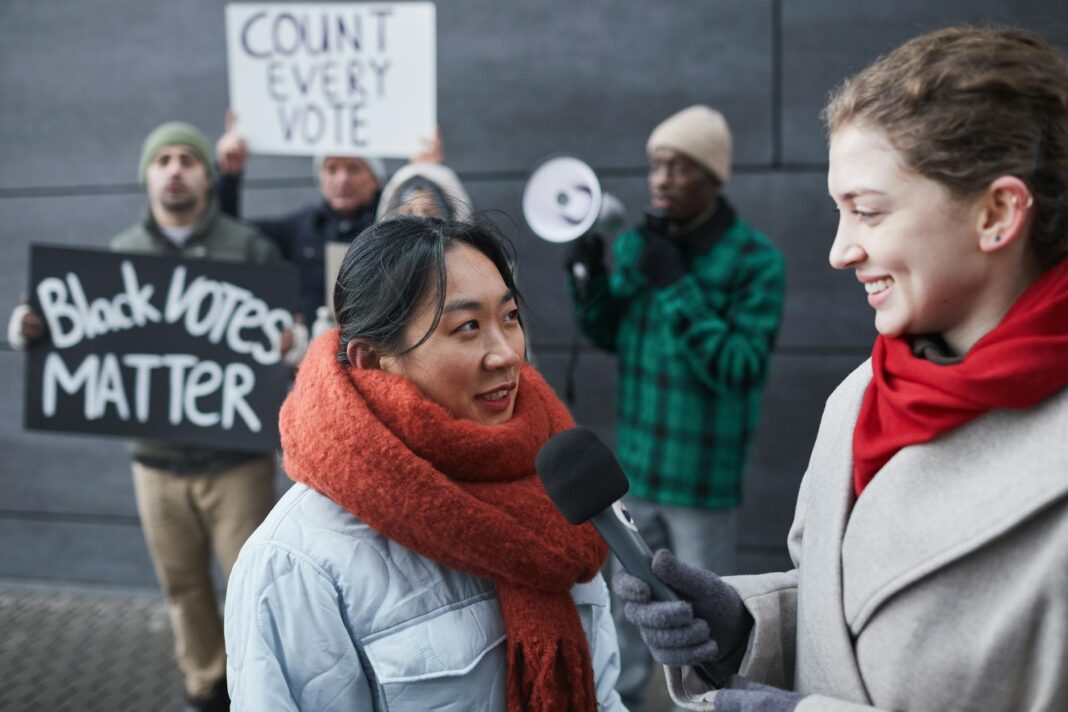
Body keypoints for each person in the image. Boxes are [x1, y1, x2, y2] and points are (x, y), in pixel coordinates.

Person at [614, 26, 1068, 712]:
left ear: (997, 212)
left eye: (868, 211)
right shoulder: (857, 398)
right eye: (838, 211)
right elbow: (852, 609)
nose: (840, 251)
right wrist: (747, 629)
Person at [224, 217, 625, 711]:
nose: (505, 355)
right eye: (468, 327)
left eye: (510, 317)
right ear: (372, 361)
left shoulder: (557, 493)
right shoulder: (296, 560)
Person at [9, 122, 285, 712]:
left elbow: (277, 346)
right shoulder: (119, 255)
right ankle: (206, 687)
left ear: (208, 175)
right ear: (148, 175)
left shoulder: (251, 248)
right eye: (163, 160)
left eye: (188, 157)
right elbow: (74, 332)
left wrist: (287, 342)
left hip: (237, 462)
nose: (176, 168)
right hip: (153, 461)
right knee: (182, 586)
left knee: (252, 588)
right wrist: (29, 331)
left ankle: (259, 690)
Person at [566, 105, 785, 709]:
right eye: (656, 165)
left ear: (712, 177)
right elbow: (609, 333)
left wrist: (675, 286)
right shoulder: (641, 245)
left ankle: (709, 706)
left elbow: (737, 366)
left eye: (678, 167)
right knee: (627, 607)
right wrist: (586, 278)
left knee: (704, 622)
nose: (660, 179)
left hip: (701, 482)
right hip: (636, 472)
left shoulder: (755, 261)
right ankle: (625, 700)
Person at [215, 115, 443, 327]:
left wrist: (426, 172)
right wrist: (230, 175)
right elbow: (231, 232)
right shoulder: (300, 226)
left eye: (354, 168)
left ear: (375, 179)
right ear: (320, 179)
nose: (342, 180)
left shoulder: (397, 221)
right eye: (332, 169)